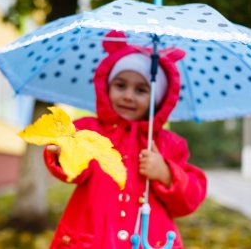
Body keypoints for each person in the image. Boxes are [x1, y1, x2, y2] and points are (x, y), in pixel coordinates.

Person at [44, 30, 207, 249]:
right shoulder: (90, 131)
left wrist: (166, 174)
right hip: (92, 239)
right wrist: (66, 154)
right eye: (120, 86)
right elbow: (75, 168)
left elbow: (189, 199)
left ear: (157, 99)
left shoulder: (169, 144)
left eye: (141, 90)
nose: (128, 96)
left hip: (150, 240)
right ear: (107, 87)